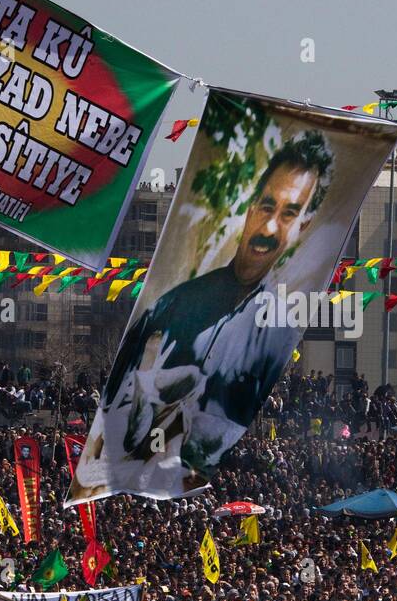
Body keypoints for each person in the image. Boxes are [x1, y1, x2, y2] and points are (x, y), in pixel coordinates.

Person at [74, 133, 334, 496]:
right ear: (249, 206)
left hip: (187, 488)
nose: (270, 226)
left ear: (303, 225)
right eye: (266, 206)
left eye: (289, 213)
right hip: (124, 475)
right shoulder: (171, 306)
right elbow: (114, 406)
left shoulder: (278, 335)